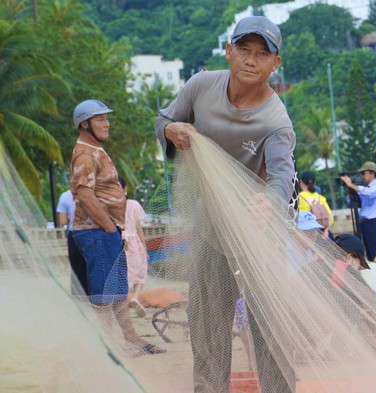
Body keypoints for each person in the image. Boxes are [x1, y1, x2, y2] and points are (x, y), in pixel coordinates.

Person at [154, 15, 296, 393]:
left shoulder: (275, 121)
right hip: (211, 227)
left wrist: (269, 202)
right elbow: (163, 120)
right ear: (229, 51)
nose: (251, 60)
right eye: (244, 49)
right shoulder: (201, 86)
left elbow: (283, 176)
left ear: (274, 64)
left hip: (259, 232)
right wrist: (171, 130)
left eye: (262, 53)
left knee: (271, 326)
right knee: (207, 323)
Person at [69, 99, 166, 356]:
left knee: (119, 291)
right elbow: (84, 195)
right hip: (95, 232)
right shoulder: (84, 154)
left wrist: (114, 229)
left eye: (106, 118)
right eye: (100, 119)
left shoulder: (96, 150)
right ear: (84, 124)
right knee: (103, 294)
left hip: (108, 231)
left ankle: (131, 338)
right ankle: (109, 346)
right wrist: (110, 229)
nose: (107, 123)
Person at [340, 161, 376, 263]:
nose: (361, 176)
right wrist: (351, 190)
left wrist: (351, 184)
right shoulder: (363, 188)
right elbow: (351, 201)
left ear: (372, 173)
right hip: (364, 222)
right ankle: (373, 269)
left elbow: (368, 193)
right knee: (367, 250)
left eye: (363, 173)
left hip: (373, 222)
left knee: (375, 249)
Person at [118, 176, 149, 318]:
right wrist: (144, 247)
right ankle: (136, 297)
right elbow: (138, 228)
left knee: (123, 273)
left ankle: (123, 303)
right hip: (134, 242)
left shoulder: (109, 205)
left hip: (118, 240)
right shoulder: (133, 204)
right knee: (140, 271)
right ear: (125, 189)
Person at [56, 188, 90, 296]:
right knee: (90, 264)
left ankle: (78, 295)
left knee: (76, 265)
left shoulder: (64, 196)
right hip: (90, 232)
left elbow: (62, 221)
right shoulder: (90, 192)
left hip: (74, 233)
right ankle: (93, 294)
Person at [298, 170, 333, 239]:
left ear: (301, 182)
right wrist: (326, 231)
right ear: (315, 183)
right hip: (322, 234)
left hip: (306, 236)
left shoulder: (298, 197)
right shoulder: (321, 198)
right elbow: (331, 218)